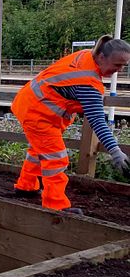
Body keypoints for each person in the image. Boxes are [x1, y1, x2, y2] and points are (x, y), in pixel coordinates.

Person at [11, 35, 130, 214]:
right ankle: (55, 205)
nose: (118, 70)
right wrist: (115, 152)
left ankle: (26, 186)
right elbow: (97, 121)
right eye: (116, 65)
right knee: (56, 158)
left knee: (38, 151)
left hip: (32, 103)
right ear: (102, 57)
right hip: (39, 113)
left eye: (123, 66)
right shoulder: (88, 84)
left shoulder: (85, 56)